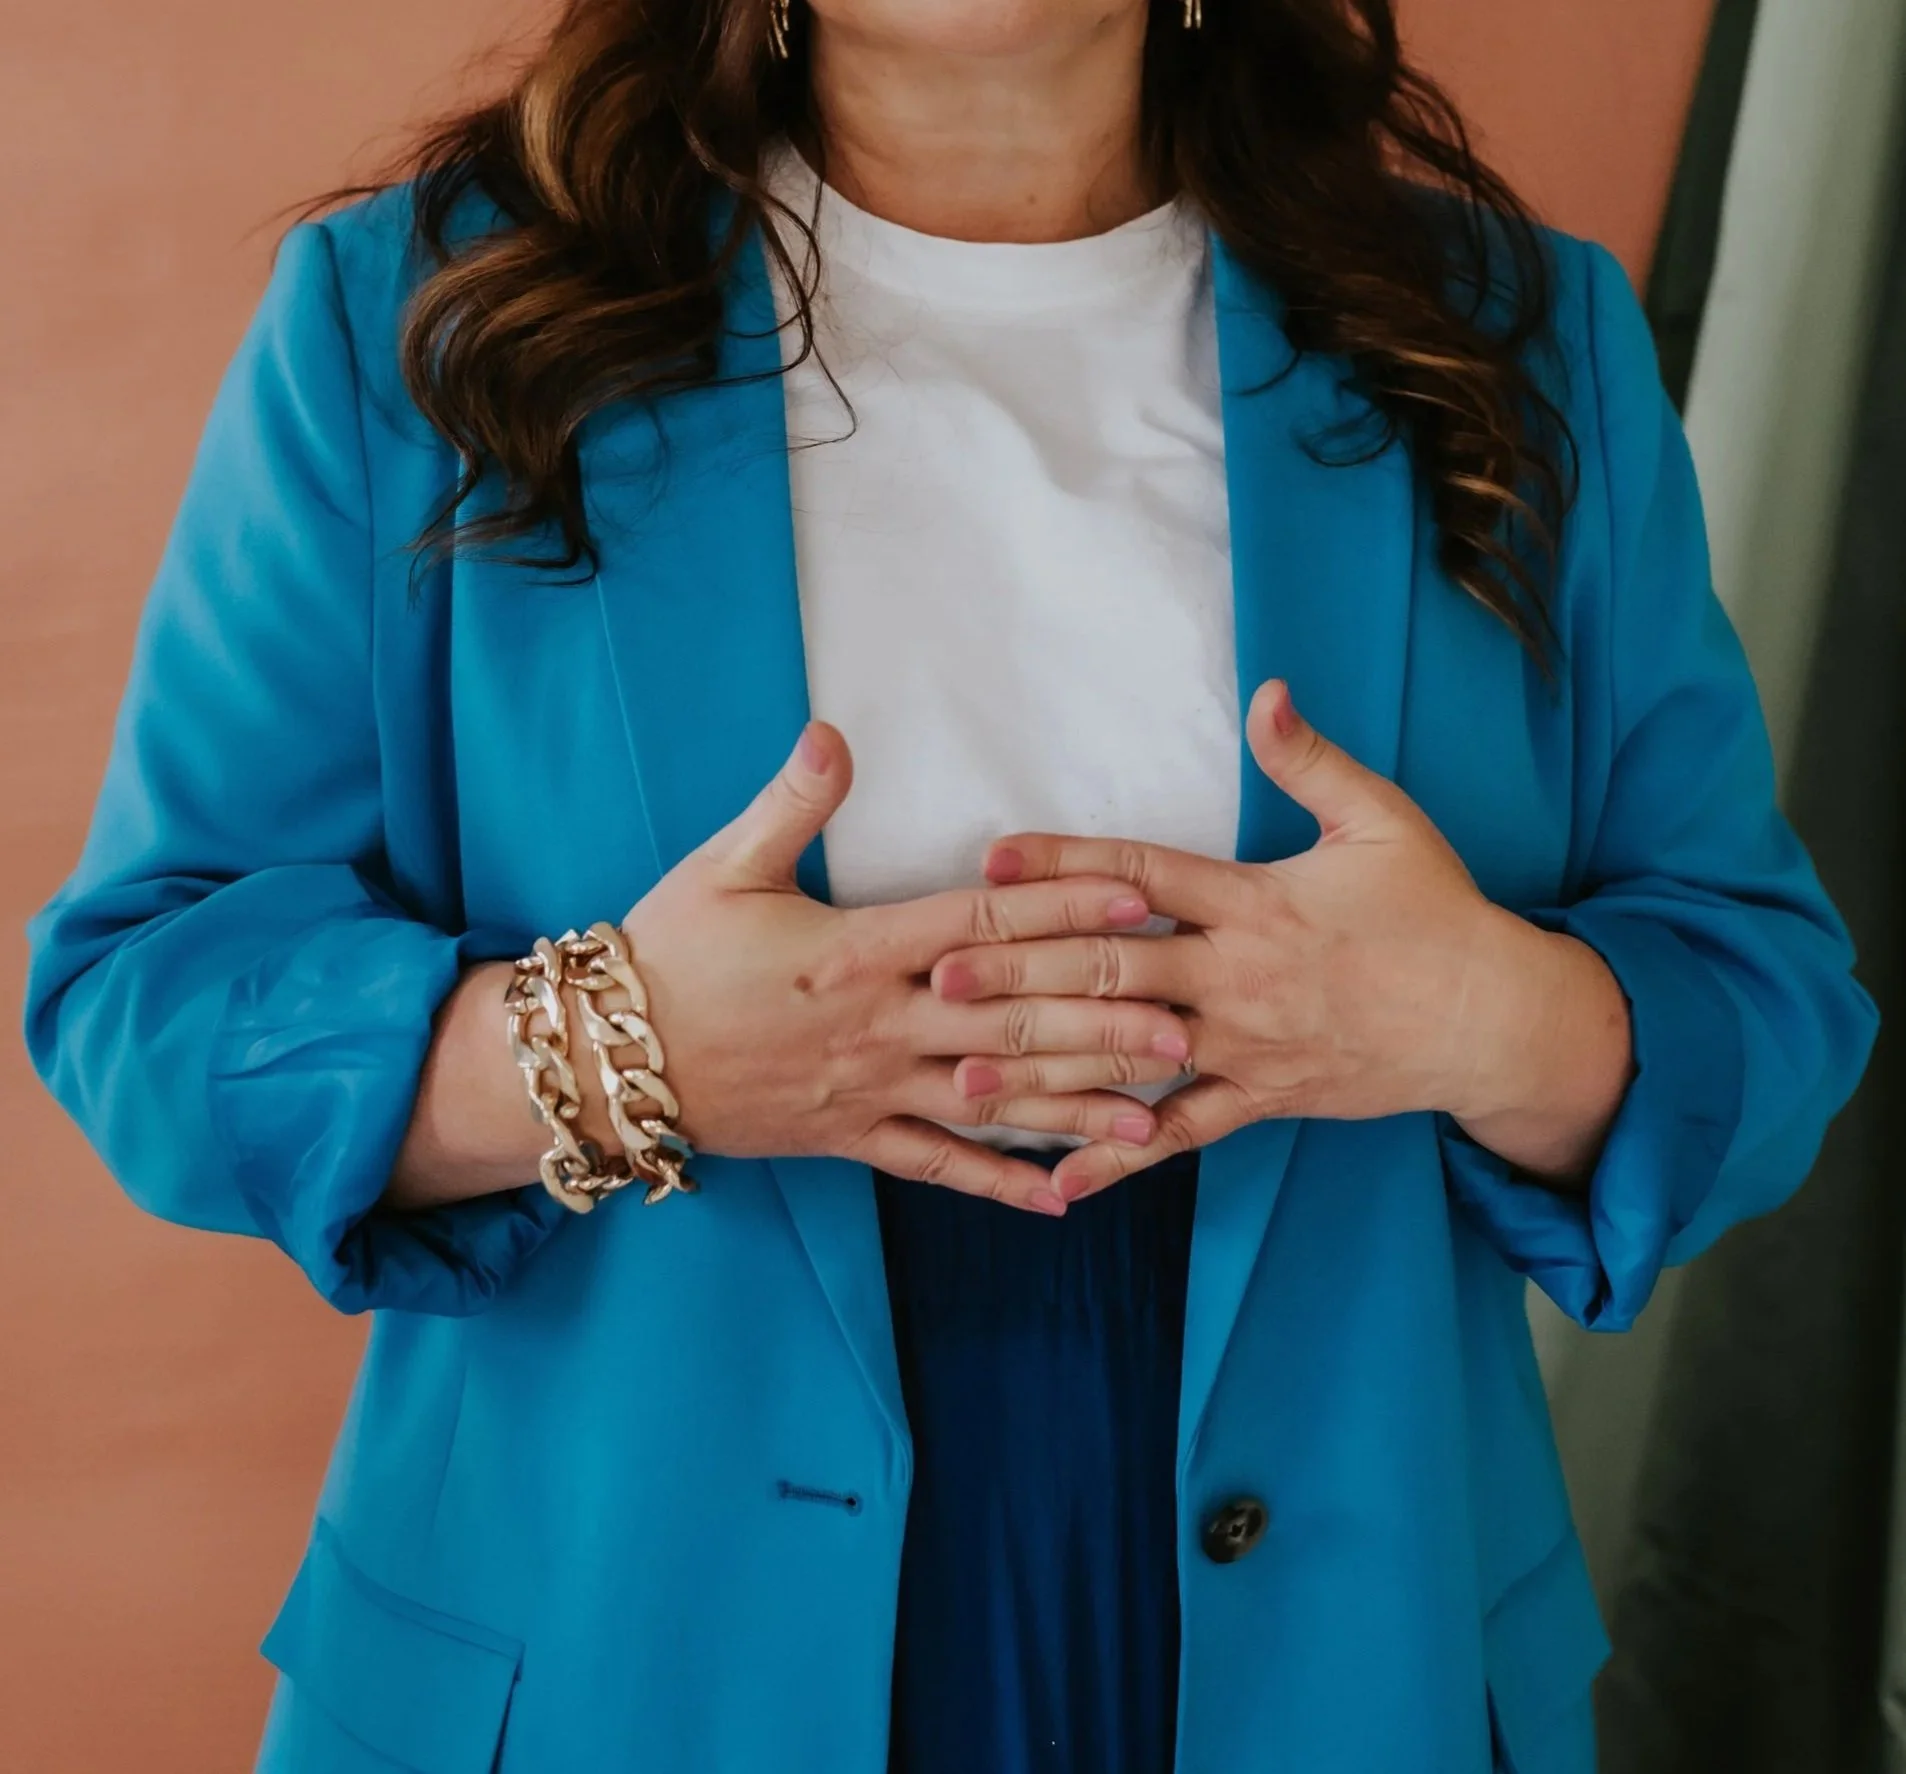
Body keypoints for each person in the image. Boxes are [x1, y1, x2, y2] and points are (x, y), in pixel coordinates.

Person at [20, 0, 1878, 1770]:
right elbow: (148, 1006)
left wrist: (1478, 1018)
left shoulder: (1519, 341)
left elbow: (1765, 1005)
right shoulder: (413, 327)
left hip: (1341, 1633)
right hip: (621, 1638)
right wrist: (619, 1048)